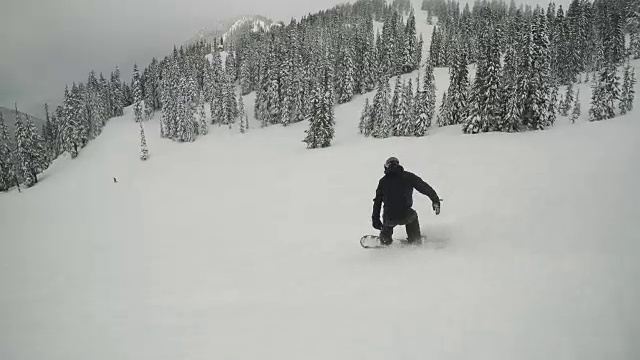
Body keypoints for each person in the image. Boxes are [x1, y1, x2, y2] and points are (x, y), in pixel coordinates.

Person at [371, 157, 441, 245]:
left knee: (388, 221)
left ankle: (385, 240)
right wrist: (435, 200)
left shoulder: (383, 181)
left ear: (386, 167)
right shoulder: (408, 176)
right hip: (406, 214)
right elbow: (424, 187)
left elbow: (377, 202)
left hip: (390, 217)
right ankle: (415, 239)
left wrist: (375, 219)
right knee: (412, 217)